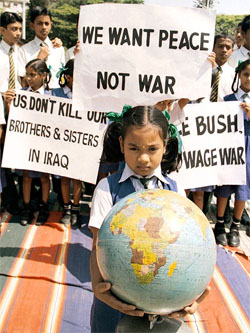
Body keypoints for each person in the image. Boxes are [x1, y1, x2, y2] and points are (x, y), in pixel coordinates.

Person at [88, 105, 209, 332]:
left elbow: (188, 246)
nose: (143, 158)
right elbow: (97, 246)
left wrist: (191, 293)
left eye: (152, 149)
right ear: (121, 144)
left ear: (165, 147)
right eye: (133, 148)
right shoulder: (107, 189)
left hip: (165, 302)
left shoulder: (176, 191)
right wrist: (97, 287)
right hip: (115, 302)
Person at [4, 59, 51, 226]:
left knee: (45, 177)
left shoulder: (53, 96)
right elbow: (13, 121)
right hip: (27, 142)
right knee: (26, 177)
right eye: (27, 75)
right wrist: (9, 105)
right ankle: (27, 208)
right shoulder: (21, 94)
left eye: (33, 75)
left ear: (43, 75)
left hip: (46, 143)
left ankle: (44, 207)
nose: (29, 78)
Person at [214, 59, 250, 247]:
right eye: (246, 74)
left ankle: (234, 226)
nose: (249, 78)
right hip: (230, 149)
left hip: (248, 149)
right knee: (225, 187)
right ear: (239, 75)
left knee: (243, 189)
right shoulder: (228, 100)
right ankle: (219, 224)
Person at [51, 59, 82, 226]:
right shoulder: (55, 93)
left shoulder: (87, 96)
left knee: (77, 179)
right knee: (64, 178)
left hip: (80, 143)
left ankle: (76, 208)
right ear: (68, 77)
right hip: (62, 143)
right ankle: (66, 208)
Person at [18, 7, 65, 89]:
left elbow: (62, 78)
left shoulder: (58, 49)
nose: (44, 27)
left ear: (51, 25)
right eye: (39, 23)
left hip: (55, 96)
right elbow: (24, 83)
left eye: (47, 23)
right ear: (32, 25)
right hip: (35, 96)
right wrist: (39, 60)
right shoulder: (24, 50)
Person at [0, 11, 22, 93]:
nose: (18, 33)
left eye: (20, 29)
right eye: (14, 29)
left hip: (19, 100)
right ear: (2, 30)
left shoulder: (22, 52)